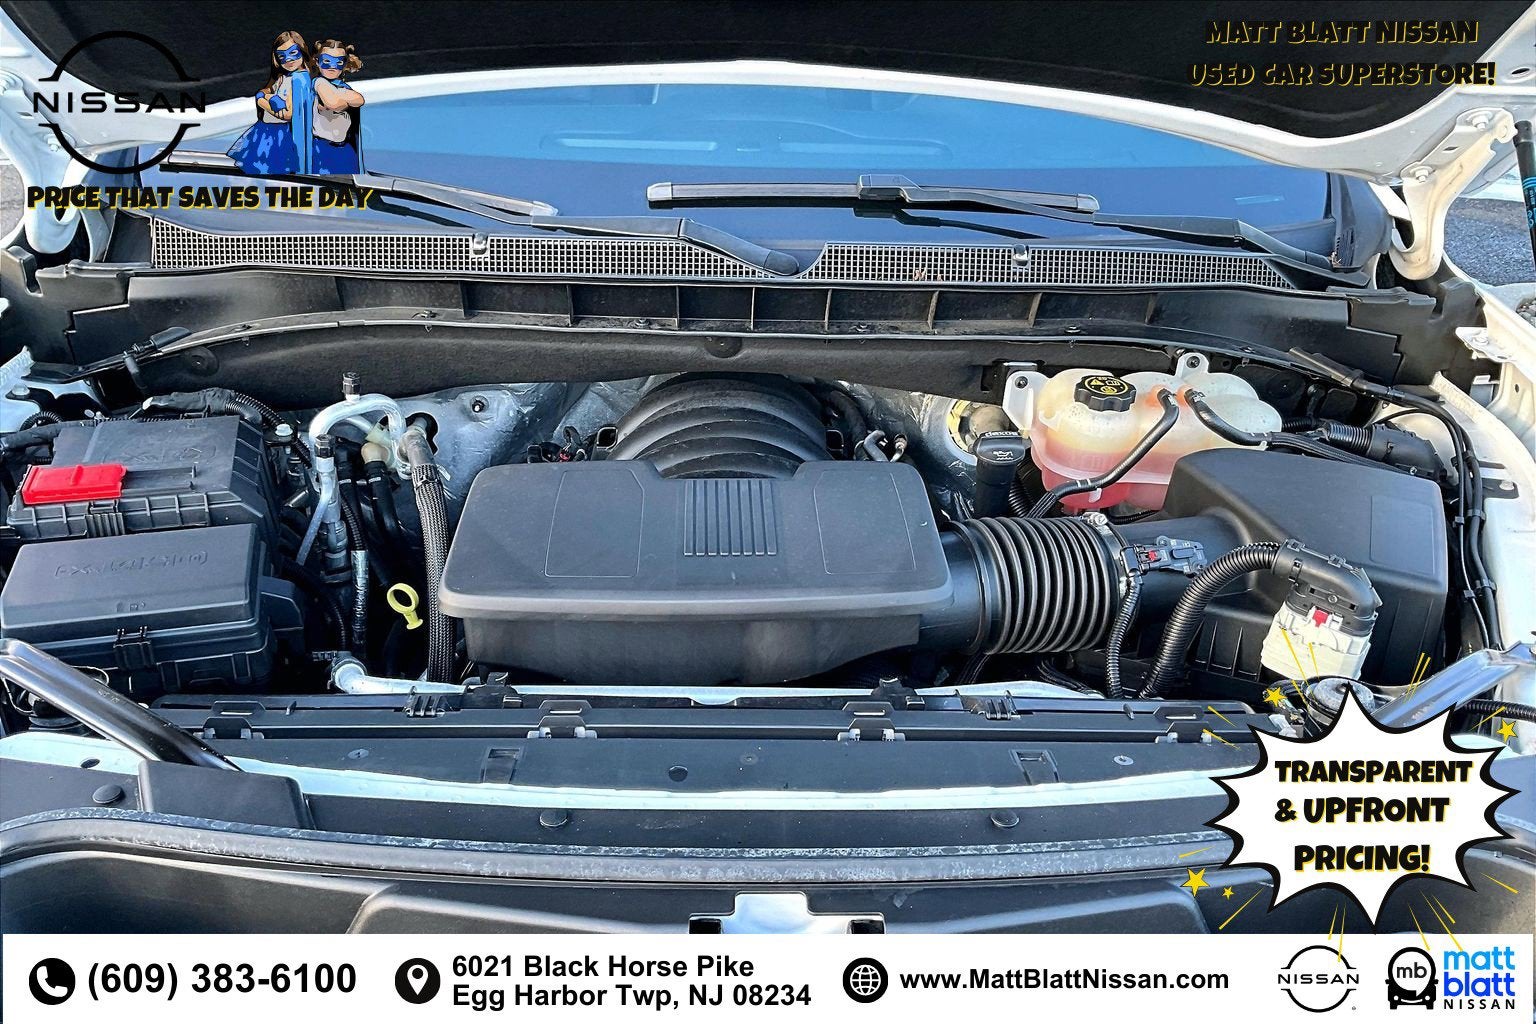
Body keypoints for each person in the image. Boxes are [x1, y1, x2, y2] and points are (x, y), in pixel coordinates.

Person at [227, 30, 315, 174]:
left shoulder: (299, 80)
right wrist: (268, 96)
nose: (288, 59)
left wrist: (262, 101)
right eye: (282, 56)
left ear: (302, 50)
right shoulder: (285, 77)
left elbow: (288, 114)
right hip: (268, 132)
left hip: (280, 135)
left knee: (273, 172)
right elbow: (270, 90)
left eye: (293, 53)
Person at [310, 39, 366, 174]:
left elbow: (359, 99)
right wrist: (344, 100)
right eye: (327, 61)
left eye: (338, 62)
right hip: (322, 147)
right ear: (317, 61)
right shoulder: (319, 82)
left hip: (344, 146)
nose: (332, 67)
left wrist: (340, 96)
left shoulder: (342, 86)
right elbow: (334, 103)